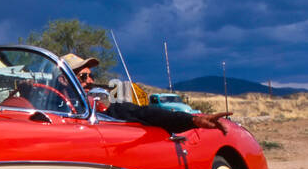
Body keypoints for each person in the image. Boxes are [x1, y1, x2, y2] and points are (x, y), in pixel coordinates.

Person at [61, 52, 232, 133]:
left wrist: (193, 120)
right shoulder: (47, 107)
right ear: (63, 80)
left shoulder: (101, 110)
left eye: (91, 76)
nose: (90, 81)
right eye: (84, 76)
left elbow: (145, 113)